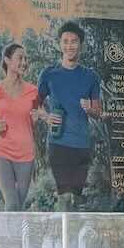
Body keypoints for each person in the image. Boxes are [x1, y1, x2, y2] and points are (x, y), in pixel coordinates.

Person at [35, 22, 102, 209]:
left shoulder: (91, 77)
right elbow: (35, 106)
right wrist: (46, 117)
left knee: (77, 198)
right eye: (65, 41)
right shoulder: (48, 74)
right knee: (64, 197)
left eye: (74, 41)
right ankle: (62, 235)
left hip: (82, 145)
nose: (69, 45)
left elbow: (98, 112)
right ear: (59, 44)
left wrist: (90, 109)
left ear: (81, 44)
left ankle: (71, 235)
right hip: (58, 144)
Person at [0, 43, 39, 211]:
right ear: (7, 60)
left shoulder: (33, 90)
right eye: (20, 58)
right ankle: (9, 238)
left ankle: (17, 237)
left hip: (26, 155)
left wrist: (38, 117)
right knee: (12, 204)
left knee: (18, 206)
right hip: (2, 152)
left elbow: (38, 114)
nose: (24, 62)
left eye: (26, 59)